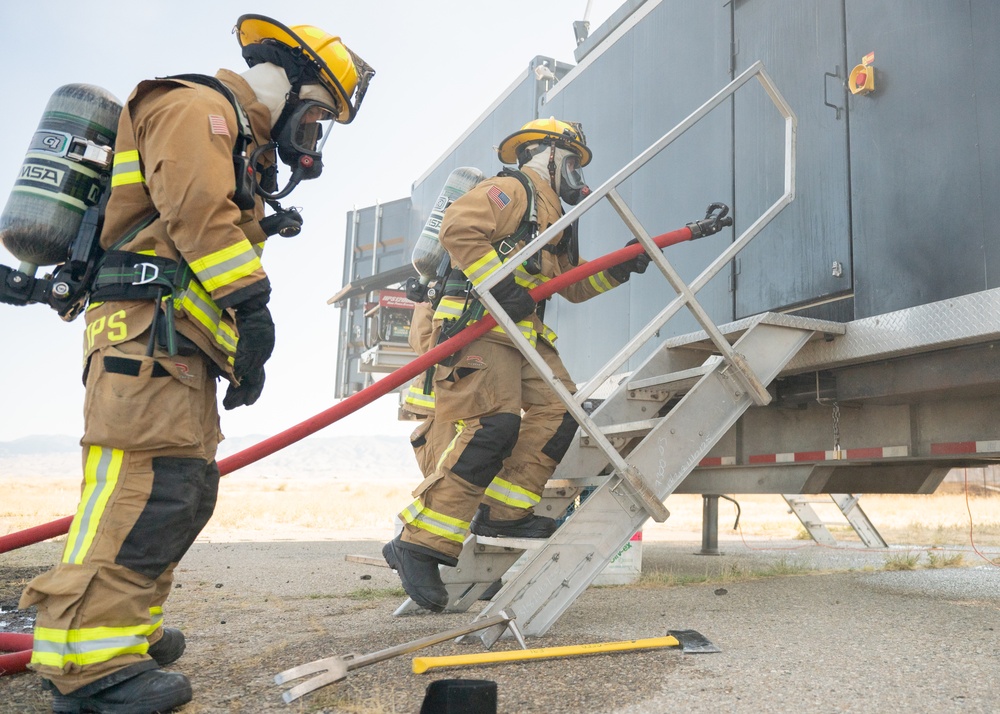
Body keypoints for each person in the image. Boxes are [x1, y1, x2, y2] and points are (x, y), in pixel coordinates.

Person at [19, 15, 373, 713]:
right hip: (145, 342)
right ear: (294, 82)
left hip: (175, 346)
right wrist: (255, 307)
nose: (316, 131)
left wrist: (240, 346)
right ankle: (85, 668)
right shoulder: (195, 105)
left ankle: (123, 634)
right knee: (140, 488)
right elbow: (197, 215)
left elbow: (199, 232)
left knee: (178, 490)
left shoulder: (232, 132)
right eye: (321, 112)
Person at [383, 118, 651, 612]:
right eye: (570, 159)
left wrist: (616, 269)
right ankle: (418, 543)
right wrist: (497, 284)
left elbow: (569, 285)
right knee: (494, 428)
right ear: (545, 153)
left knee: (562, 410)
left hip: (520, 335)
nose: (575, 171)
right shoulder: (511, 189)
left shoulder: (557, 217)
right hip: (478, 327)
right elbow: (459, 227)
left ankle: (505, 513)